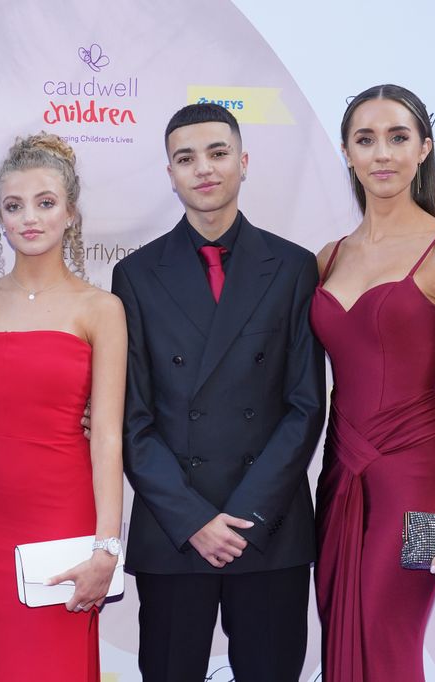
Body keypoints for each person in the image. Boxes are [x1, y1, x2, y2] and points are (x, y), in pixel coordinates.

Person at [111, 102, 326, 681]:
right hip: (175, 532)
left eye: (217, 153)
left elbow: (305, 406)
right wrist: (194, 520)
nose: (203, 168)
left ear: (243, 162)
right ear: (170, 173)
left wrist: (244, 513)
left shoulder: (294, 267)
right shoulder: (134, 275)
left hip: (268, 528)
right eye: (186, 158)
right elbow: (132, 420)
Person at [311, 83, 435, 681]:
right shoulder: (328, 257)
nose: (381, 154)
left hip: (415, 474)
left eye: (397, 137)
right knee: (342, 633)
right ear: (346, 153)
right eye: (365, 139)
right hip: (339, 476)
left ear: (424, 149)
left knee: (383, 641)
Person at [0, 132, 126, 681]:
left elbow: (108, 436)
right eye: (13, 205)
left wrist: (106, 547)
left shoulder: (101, 309)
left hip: (67, 524)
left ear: (70, 212)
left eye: (45, 203)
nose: (30, 218)